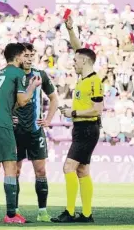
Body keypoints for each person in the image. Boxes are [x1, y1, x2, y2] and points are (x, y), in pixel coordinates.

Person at [0, 43, 42, 224]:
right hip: (1, 123)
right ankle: (11, 215)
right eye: (24, 55)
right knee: (10, 167)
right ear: (17, 57)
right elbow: (23, 101)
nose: (26, 59)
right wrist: (33, 86)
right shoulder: (19, 73)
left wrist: (9, 113)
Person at [52, 16, 104, 223]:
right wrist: (71, 29)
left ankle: (70, 212)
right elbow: (78, 48)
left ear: (84, 62)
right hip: (82, 129)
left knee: (68, 168)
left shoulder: (95, 81)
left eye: (75, 60)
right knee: (82, 170)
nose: (73, 62)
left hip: (87, 129)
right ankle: (87, 214)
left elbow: (98, 109)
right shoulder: (84, 77)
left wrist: (73, 113)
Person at [13, 43, 58, 222]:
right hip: (15, 132)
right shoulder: (12, 76)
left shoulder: (41, 75)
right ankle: (14, 211)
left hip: (35, 131)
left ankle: (42, 211)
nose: (30, 58)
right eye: (26, 55)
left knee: (40, 171)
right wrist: (9, 116)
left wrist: (48, 119)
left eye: (32, 55)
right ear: (19, 56)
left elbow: (54, 98)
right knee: (14, 172)